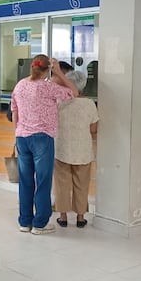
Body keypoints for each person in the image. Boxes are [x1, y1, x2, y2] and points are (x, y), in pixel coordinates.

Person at [11, 55, 78, 234]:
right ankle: (40, 223)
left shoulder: (20, 85)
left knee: (25, 181)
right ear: (48, 69)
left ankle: (25, 222)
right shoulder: (48, 87)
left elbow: (14, 111)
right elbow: (74, 92)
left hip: (22, 137)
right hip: (42, 137)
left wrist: (16, 135)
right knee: (42, 181)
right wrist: (60, 74)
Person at [53, 71, 98, 228]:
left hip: (62, 149)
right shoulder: (89, 104)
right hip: (83, 151)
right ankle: (80, 217)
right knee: (82, 184)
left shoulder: (59, 102)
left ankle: (63, 217)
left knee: (61, 184)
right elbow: (94, 129)